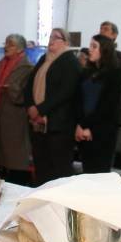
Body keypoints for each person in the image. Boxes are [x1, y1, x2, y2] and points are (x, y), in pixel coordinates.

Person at [24, 27, 81, 184]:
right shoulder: (44, 58)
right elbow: (30, 84)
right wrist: (30, 106)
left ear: (66, 42)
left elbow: (65, 92)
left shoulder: (70, 61)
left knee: (59, 170)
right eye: (50, 37)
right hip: (37, 123)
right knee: (42, 167)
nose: (51, 40)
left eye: (56, 37)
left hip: (59, 125)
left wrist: (40, 109)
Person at [0, 33, 34, 185]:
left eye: (10, 44)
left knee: (14, 157)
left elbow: (27, 95)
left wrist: (11, 88)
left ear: (20, 49)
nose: (6, 47)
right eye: (6, 43)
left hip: (14, 118)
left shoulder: (27, 68)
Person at [75, 34, 121, 173]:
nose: (90, 49)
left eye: (94, 46)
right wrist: (79, 125)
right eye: (90, 46)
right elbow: (78, 99)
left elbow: (108, 105)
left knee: (99, 173)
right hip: (83, 128)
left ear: (104, 50)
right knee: (87, 171)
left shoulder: (116, 73)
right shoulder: (86, 72)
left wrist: (89, 127)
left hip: (102, 130)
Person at [99, 21, 121, 129]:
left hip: (114, 111)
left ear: (114, 35)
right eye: (100, 29)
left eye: (105, 29)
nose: (101, 31)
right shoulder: (95, 56)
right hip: (94, 111)